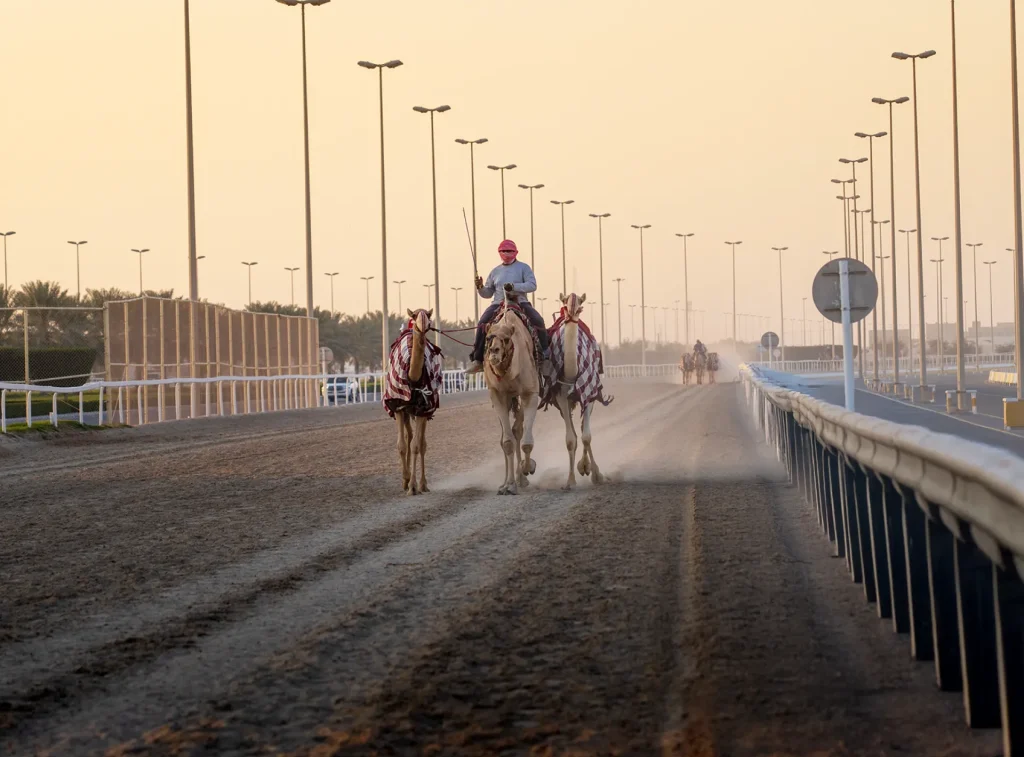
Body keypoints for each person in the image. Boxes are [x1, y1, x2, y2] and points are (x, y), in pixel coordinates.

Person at [467, 239, 550, 374]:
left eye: (509, 251)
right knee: (482, 323)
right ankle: (477, 359)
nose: (506, 253)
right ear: (499, 252)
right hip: (498, 303)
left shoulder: (523, 268)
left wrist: (514, 287)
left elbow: (532, 285)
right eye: (503, 251)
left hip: (519, 302)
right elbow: (488, 293)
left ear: (516, 252)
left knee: (538, 320)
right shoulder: (495, 271)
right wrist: (480, 287)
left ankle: (545, 355)